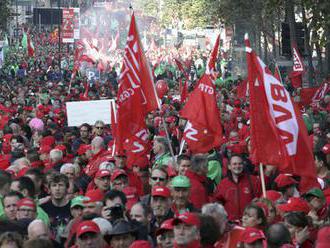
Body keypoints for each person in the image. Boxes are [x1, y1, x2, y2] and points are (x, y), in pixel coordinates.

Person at [215, 154, 261, 221]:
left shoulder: (253, 181)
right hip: (231, 223)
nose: (237, 166)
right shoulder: (223, 184)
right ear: (229, 167)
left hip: (249, 222)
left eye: (240, 164)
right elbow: (217, 202)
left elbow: (260, 199)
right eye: (234, 164)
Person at [40, 173, 71, 241]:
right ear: (49, 189)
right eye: (54, 185)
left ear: (67, 188)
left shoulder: (73, 207)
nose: (57, 189)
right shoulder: (43, 208)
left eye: (61, 185)